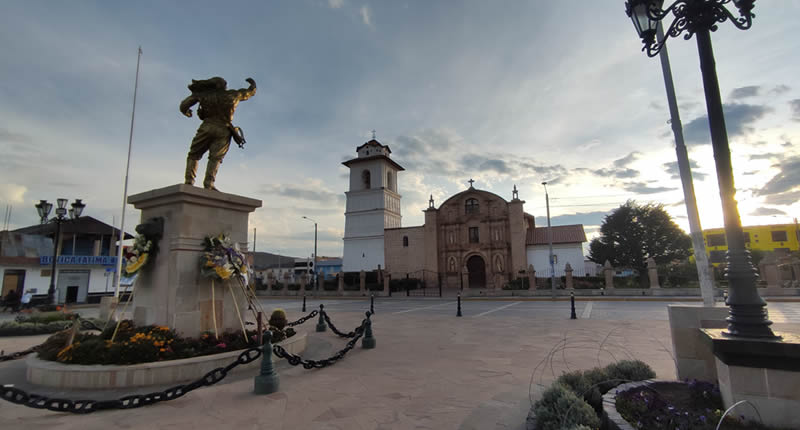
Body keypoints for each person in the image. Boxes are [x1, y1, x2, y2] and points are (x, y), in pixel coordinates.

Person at [179, 77, 257, 191]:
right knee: (215, 158)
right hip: (223, 129)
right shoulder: (233, 95)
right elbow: (249, 92)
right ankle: (209, 183)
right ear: (224, 86)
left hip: (207, 127)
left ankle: (189, 181)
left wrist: (187, 113)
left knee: (194, 155)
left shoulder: (203, 95)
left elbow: (184, 106)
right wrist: (253, 84)